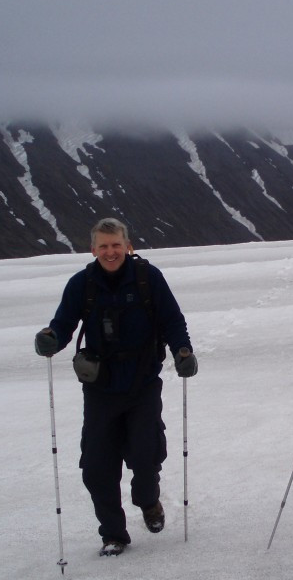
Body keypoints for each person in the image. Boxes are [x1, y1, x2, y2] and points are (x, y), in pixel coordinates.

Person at [34, 218, 198, 557]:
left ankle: (148, 501)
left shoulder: (147, 279)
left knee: (145, 454)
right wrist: (51, 338)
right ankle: (113, 534)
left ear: (128, 246)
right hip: (100, 388)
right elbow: (63, 323)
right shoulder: (82, 284)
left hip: (142, 383)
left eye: (116, 245)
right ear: (93, 249)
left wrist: (182, 350)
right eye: (104, 246)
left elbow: (171, 319)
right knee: (97, 466)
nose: (110, 252)